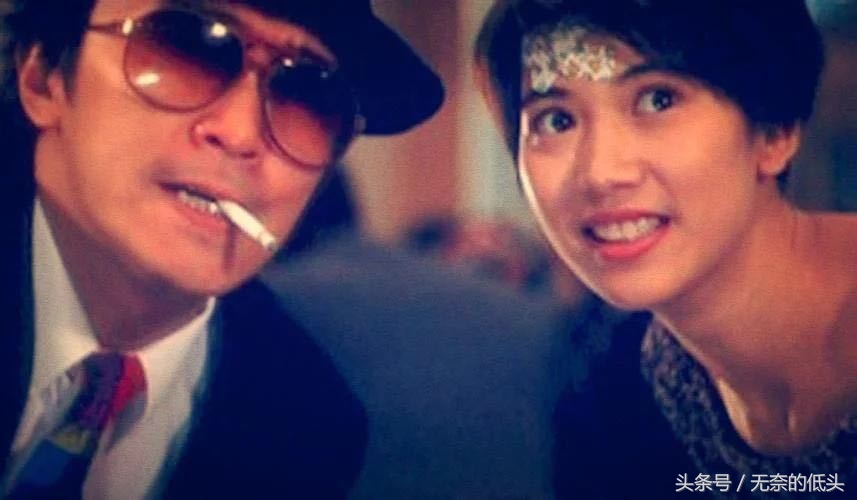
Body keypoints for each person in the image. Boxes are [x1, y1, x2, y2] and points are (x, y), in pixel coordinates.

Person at [0, 0, 442, 497]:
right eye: (182, 49)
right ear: (43, 78)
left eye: (308, 95)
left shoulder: (306, 428)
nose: (239, 133)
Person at [475, 0, 857, 497]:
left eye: (658, 100)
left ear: (774, 131)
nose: (600, 174)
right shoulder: (609, 378)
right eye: (556, 121)